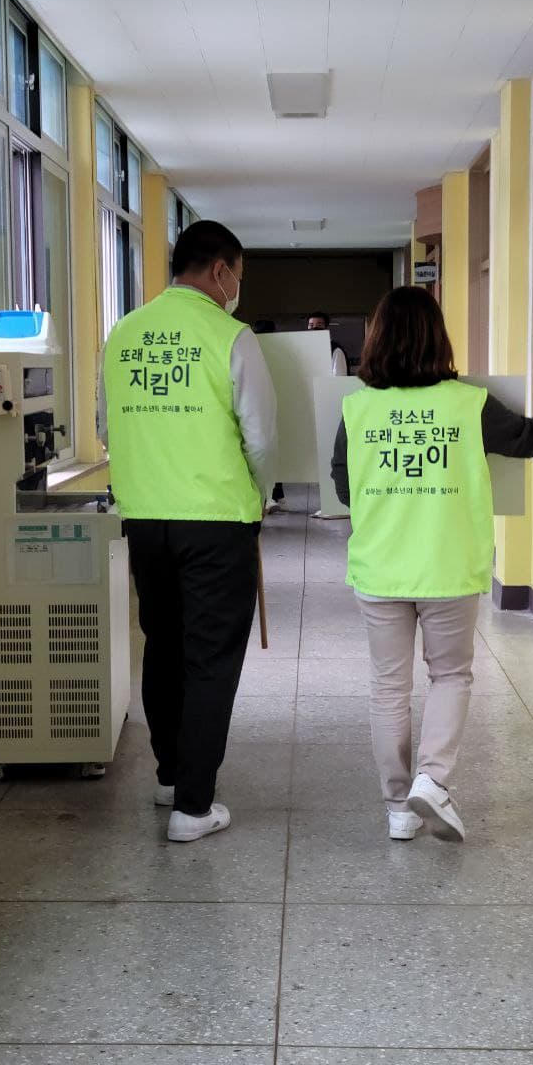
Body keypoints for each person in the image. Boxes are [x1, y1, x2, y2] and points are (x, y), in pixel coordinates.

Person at [330, 287, 533, 842]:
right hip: (448, 564)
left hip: (380, 565)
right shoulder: (467, 404)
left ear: (377, 339)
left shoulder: (358, 408)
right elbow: (529, 442)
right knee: (450, 676)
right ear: (438, 338)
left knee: (388, 687)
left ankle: (396, 809)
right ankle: (432, 780)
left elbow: (343, 487)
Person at [102, 220, 277, 843]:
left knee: (164, 645)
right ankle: (194, 807)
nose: (237, 289)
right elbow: (259, 437)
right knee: (210, 658)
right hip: (215, 521)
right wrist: (262, 495)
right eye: (238, 276)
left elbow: (106, 424)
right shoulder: (231, 337)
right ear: (222, 272)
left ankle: (171, 776)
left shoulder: (123, 334)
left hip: (145, 521)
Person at [251, 320, 287, 511]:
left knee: (266, 451)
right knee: (275, 451)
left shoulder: (253, 351)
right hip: (278, 406)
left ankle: (271, 496)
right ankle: (274, 495)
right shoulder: (280, 351)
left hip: (261, 407)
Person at [308, 310, 349, 376]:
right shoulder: (308, 349)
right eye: (311, 325)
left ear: (326, 327)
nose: (315, 328)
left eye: (319, 325)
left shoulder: (336, 350)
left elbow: (339, 380)